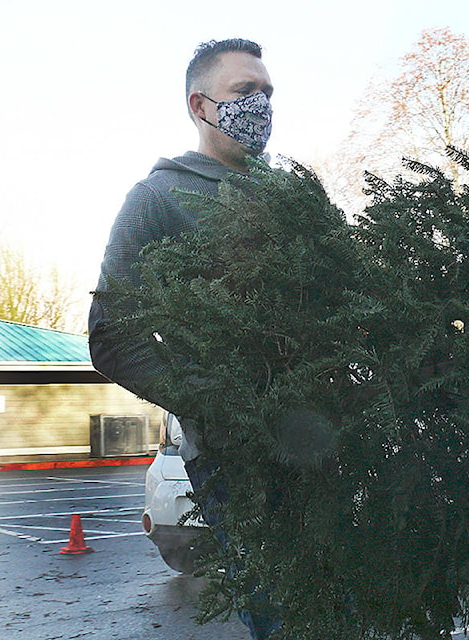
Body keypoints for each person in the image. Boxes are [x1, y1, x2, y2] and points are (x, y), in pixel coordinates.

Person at [88, 38, 280, 640]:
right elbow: (112, 336)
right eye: (245, 93)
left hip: (323, 441)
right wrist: (215, 399)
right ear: (201, 106)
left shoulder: (291, 196)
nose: (263, 106)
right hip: (235, 455)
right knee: (282, 616)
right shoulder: (158, 199)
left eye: (269, 93)